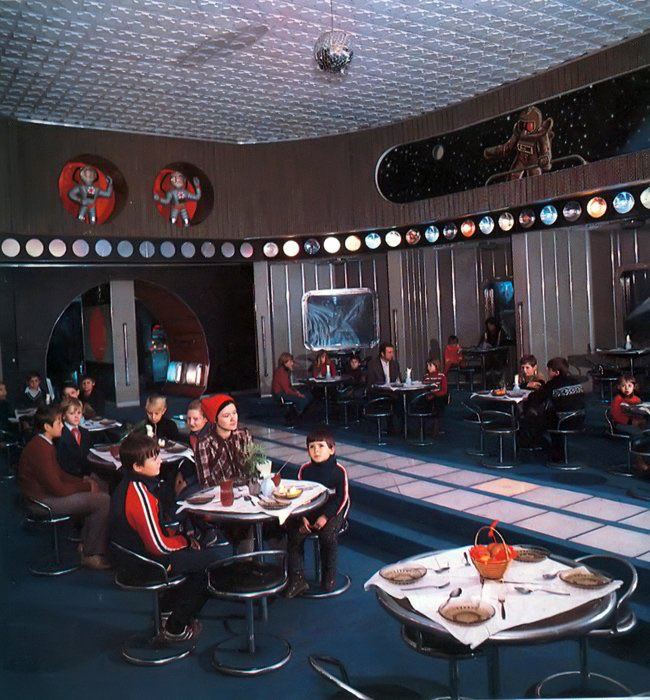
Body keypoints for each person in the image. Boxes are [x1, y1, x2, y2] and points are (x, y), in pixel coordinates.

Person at [110, 433, 223, 642]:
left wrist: (180, 539)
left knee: (195, 554)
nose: (160, 461)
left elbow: (154, 532)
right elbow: (158, 546)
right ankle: (175, 627)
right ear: (137, 467)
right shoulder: (138, 494)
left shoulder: (130, 484)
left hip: (133, 557)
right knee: (212, 563)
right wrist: (185, 541)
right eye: (154, 458)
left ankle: (166, 610)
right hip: (144, 564)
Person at [18, 405, 111, 570]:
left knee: (101, 486)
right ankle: (90, 554)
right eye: (59, 422)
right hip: (41, 501)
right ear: (47, 427)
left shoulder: (44, 442)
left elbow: (59, 474)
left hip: (45, 494)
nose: (62, 426)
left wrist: (84, 480)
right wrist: (86, 486)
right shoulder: (41, 449)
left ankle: (86, 544)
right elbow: (58, 489)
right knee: (103, 500)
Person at [284, 427, 349, 598]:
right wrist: (302, 517)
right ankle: (297, 579)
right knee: (294, 534)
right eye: (311, 447)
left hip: (333, 511)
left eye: (321, 446)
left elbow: (341, 498)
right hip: (309, 510)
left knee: (327, 536)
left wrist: (325, 517)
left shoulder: (338, 471)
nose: (316, 451)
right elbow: (300, 496)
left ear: (332, 449)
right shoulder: (305, 470)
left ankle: (329, 576)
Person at [521, 357, 585, 459]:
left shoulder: (553, 384)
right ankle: (558, 451)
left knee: (534, 417)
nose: (548, 373)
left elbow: (537, 398)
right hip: (579, 418)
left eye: (549, 370)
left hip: (562, 421)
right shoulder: (575, 381)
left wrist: (529, 396)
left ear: (556, 372)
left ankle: (539, 446)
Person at [56, 397, 94, 478]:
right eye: (72, 413)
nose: (76, 416)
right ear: (64, 416)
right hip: (69, 476)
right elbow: (63, 462)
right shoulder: (59, 434)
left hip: (87, 474)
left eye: (79, 413)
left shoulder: (85, 432)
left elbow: (89, 456)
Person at [423, 358, 448, 436]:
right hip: (428, 396)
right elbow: (424, 388)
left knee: (438, 402)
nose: (428, 368)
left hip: (438, 396)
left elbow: (444, 390)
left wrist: (434, 395)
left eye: (430, 365)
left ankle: (436, 427)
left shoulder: (441, 376)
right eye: (427, 366)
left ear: (436, 366)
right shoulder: (426, 376)